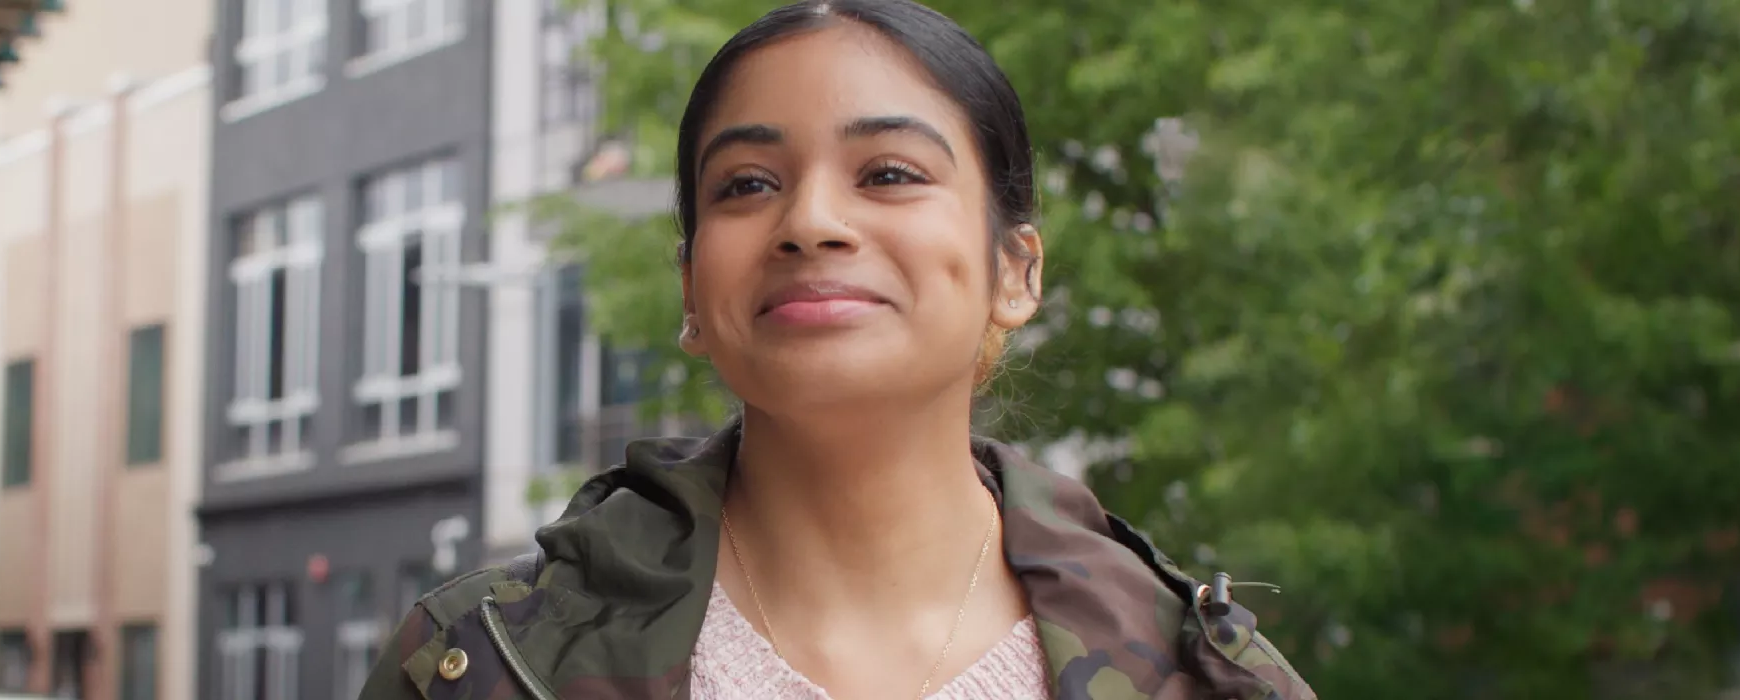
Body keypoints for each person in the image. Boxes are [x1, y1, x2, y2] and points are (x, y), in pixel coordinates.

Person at [357, 1, 1313, 698]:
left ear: (1015, 272)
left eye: (889, 173)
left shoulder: (1206, 677)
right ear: (692, 290)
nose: (810, 220)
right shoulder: (473, 663)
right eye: (746, 185)